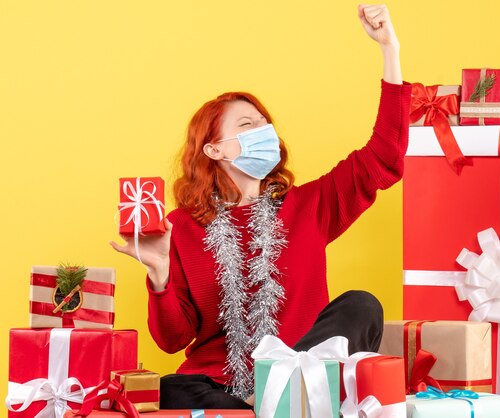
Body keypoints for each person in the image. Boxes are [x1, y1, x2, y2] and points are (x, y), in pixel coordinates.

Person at [111, 3, 411, 410]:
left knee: (362, 306)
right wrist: (159, 274)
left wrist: (389, 49)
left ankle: (274, 391)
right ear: (214, 148)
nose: (264, 133)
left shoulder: (310, 205)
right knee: (166, 389)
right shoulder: (180, 226)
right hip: (217, 384)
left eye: (265, 126)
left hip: (297, 372)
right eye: (248, 126)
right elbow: (172, 340)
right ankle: (260, 406)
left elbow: (385, 156)